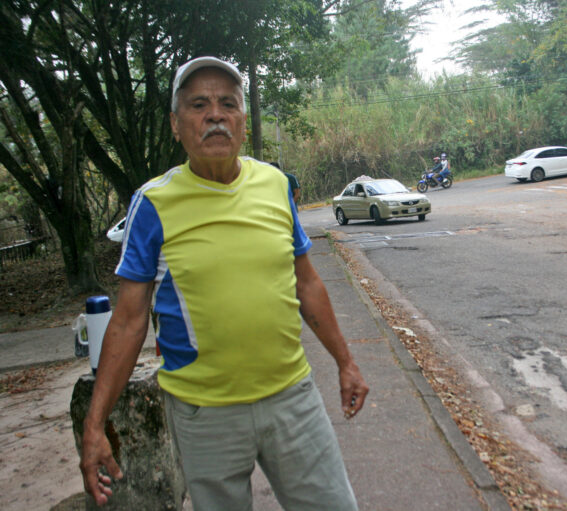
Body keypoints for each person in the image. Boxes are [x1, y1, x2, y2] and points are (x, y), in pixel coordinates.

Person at [78, 56, 368, 511]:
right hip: (203, 413)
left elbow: (307, 284)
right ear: (175, 124)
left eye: (228, 104)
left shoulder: (274, 185)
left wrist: (345, 362)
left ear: (243, 122)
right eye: (199, 105)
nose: (215, 115)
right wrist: (94, 425)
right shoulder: (152, 204)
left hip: (292, 397)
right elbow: (130, 320)